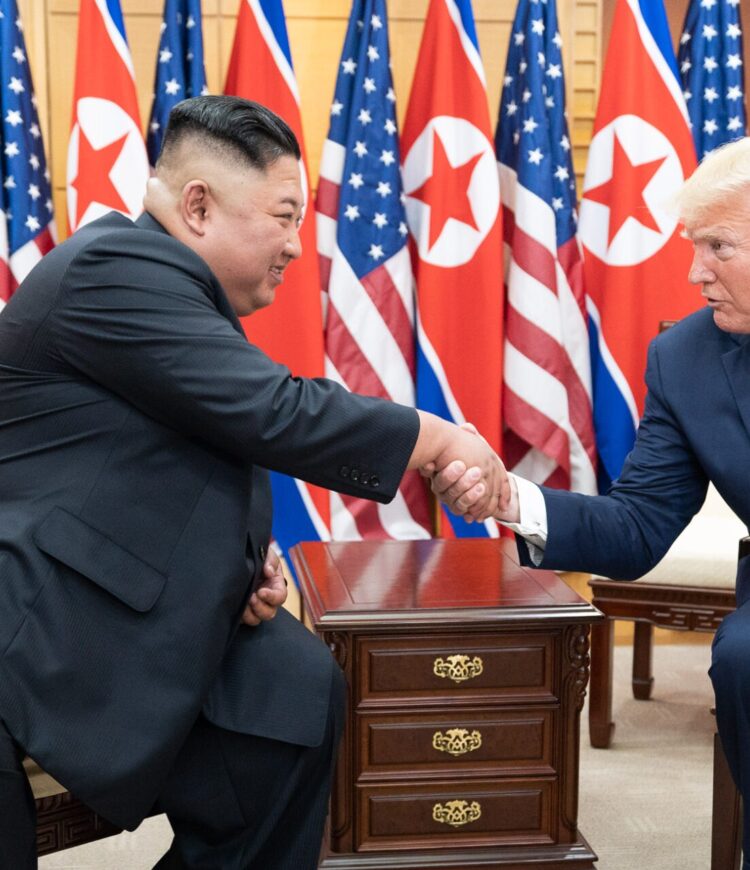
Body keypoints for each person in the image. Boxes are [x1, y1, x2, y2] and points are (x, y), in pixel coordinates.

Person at [0, 95, 508, 870]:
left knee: (296, 689)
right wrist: (438, 438)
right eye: (284, 216)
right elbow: (273, 411)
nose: (299, 247)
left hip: (126, 588)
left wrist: (238, 564)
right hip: (47, 614)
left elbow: (158, 462)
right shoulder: (114, 268)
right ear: (198, 206)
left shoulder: (172, 283)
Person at [433, 134, 750, 868]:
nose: (695, 272)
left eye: (719, 248)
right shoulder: (687, 357)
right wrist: (506, 496)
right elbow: (637, 526)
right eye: (692, 246)